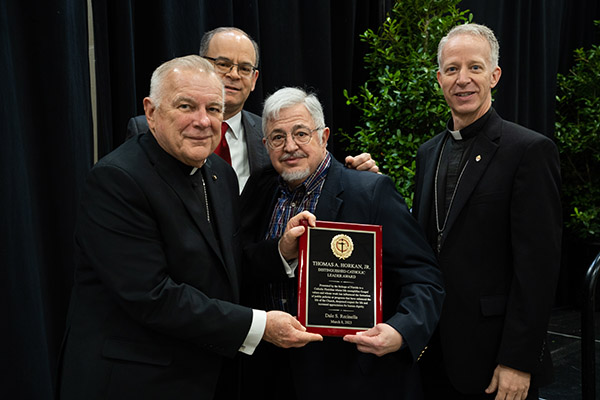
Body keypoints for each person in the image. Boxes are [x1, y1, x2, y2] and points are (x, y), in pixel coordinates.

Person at [56, 56, 322, 400]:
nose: (202, 121)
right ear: (151, 112)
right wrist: (260, 326)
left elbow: (225, 264)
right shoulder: (117, 180)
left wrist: (281, 250)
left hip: (206, 375)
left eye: (214, 109)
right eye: (186, 106)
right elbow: (152, 296)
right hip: (134, 382)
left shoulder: (219, 173)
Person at [240, 87, 445, 399]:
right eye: (277, 137)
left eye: (300, 133)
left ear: (323, 137)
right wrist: (282, 252)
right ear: (265, 145)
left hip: (351, 377)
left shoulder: (369, 191)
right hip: (272, 374)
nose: (290, 146)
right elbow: (242, 261)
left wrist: (402, 330)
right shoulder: (259, 188)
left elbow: (424, 277)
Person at [412, 23, 562, 399]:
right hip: (432, 353)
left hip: (496, 360)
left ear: (494, 75)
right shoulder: (428, 152)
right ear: (439, 78)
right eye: (451, 69)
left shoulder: (528, 150)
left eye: (474, 68)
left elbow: (538, 268)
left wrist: (518, 360)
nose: (462, 79)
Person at [127, 27, 378, 193]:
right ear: (201, 65)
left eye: (244, 68)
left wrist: (354, 177)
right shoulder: (149, 127)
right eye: (223, 64)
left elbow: (312, 167)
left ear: (255, 78)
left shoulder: (272, 133)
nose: (234, 75)